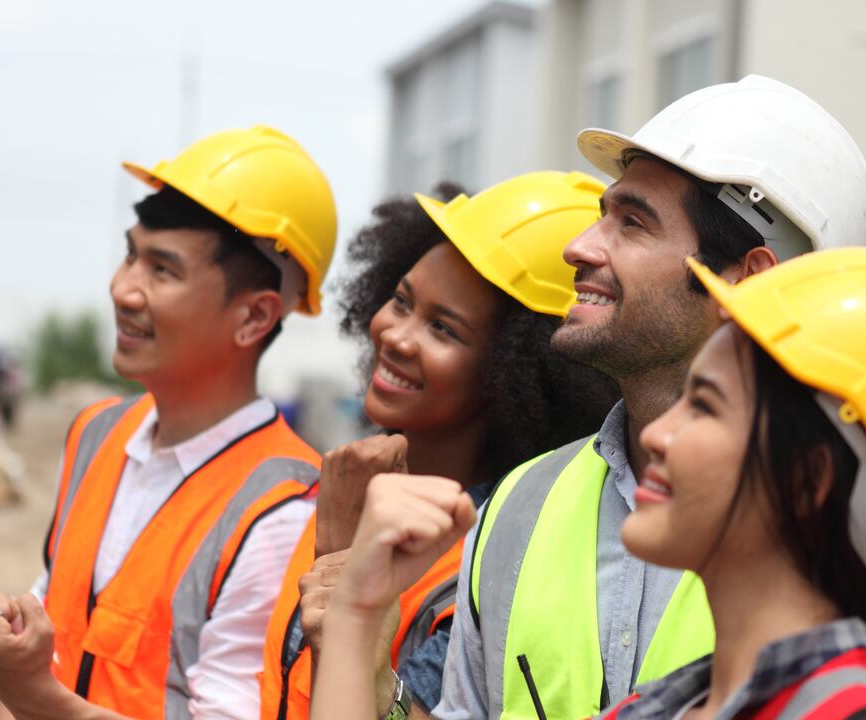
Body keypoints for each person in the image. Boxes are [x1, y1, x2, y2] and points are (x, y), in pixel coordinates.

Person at [310, 245, 866, 720]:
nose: (655, 436)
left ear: (810, 479)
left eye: (705, 405)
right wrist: (355, 616)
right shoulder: (675, 705)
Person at [0, 125, 337, 720]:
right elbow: (61, 607)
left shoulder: (283, 509)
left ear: (253, 317)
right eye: (131, 255)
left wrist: (31, 695)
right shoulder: (97, 432)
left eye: (162, 270)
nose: (122, 288)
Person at [259, 171, 621, 719]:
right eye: (401, 301)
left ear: (516, 374)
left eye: (444, 329)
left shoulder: (487, 557)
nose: (396, 336)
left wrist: (342, 565)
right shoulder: (347, 489)